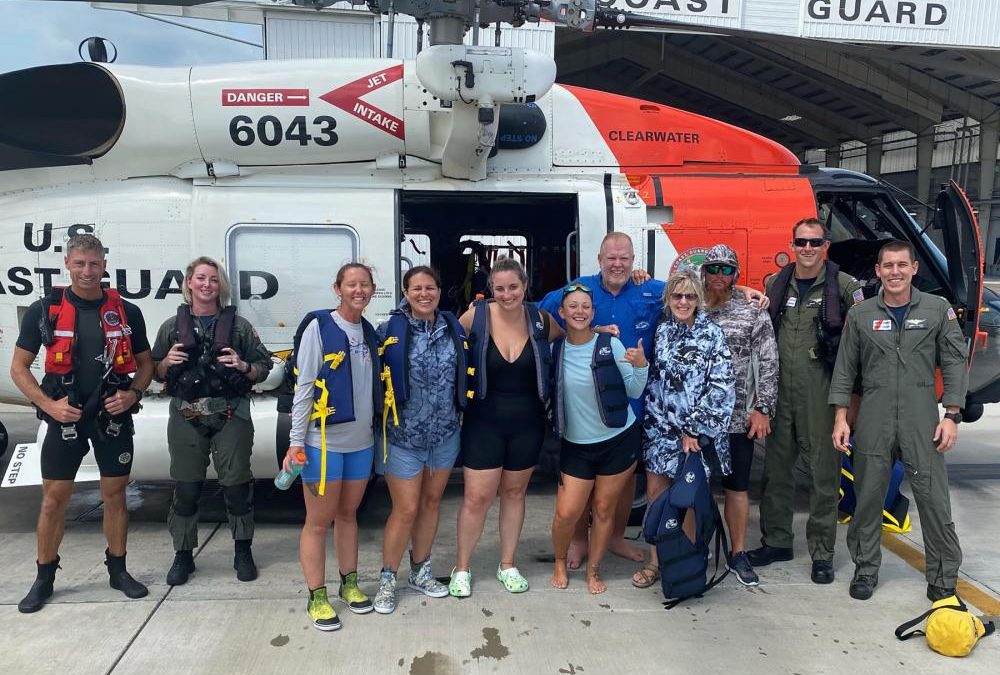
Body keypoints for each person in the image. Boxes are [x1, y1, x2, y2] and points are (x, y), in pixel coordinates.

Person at [539, 232, 765, 569]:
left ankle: (617, 537)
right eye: (611, 258)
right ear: (599, 259)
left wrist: (741, 291)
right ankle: (578, 540)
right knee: (585, 480)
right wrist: (486, 309)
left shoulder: (652, 290)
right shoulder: (580, 289)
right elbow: (538, 310)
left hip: (636, 406)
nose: (617, 264)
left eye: (624, 258)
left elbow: (694, 294)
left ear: (633, 261)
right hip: (590, 405)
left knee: (625, 478)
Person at [11, 233, 154, 613]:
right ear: (67, 265)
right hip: (65, 418)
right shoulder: (45, 311)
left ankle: (118, 570)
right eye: (80, 264)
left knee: (116, 496)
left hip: (112, 418)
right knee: (53, 501)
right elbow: (19, 368)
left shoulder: (127, 312)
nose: (87, 271)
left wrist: (133, 395)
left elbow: (146, 365)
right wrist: (47, 405)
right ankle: (44, 578)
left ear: (105, 265)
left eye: (94, 264)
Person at [830, 240, 967, 601]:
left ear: (914, 268)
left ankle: (942, 576)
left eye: (901, 265)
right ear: (877, 271)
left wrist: (951, 414)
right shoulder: (861, 314)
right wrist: (841, 418)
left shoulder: (937, 310)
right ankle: (865, 568)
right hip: (874, 415)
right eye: (887, 266)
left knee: (934, 499)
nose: (894, 272)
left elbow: (954, 362)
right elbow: (845, 369)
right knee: (869, 496)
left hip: (922, 416)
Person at [749, 218, 864, 585]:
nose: (808, 249)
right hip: (780, 391)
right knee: (776, 472)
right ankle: (778, 541)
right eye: (801, 242)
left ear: (825, 246)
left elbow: (863, 333)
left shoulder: (843, 286)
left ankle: (822, 553)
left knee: (823, 475)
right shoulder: (775, 283)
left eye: (815, 242)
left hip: (821, 391)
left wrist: (852, 399)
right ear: (793, 244)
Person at [152, 257, 273, 586]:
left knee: (236, 486)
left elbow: (265, 367)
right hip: (186, 415)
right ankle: (183, 554)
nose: (207, 284)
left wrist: (243, 365)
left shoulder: (239, 327)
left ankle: (242, 549)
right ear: (189, 282)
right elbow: (152, 371)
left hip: (230, 414)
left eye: (214, 279)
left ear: (221, 286)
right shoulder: (172, 327)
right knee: (186, 488)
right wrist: (165, 363)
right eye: (201, 278)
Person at [451, 256, 561, 597]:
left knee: (514, 494)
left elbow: (575, 333)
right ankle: (462, 568)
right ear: (491, 289)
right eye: (499, 288)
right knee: (476, 497)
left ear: (525, 287)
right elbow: (446, 346)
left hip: (528, 424)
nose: (507, 294)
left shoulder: (541, 319)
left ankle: (507, 564)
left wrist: (601, 332)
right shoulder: (475, 316)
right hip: (484, 422)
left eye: (513, 287)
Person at [282, 263, 384, 631]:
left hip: (361, 443)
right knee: (318, 521)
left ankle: (350, 583)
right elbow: (304, 388)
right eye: (351, 284)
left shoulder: (369, 333)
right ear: (337, 288)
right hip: (323, 443)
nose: (359, 290)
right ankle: (317, 595)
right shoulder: (320, 327)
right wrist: (296, 443)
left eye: (365, 285)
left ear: (373, 289)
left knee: (348, 515)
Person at [372, 266, 473, 614]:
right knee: (406, 509)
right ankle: (388, 578)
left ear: (440, 290)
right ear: (406, 291)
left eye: (430, 287)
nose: (424, 294)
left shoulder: (452, 328)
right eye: (417, 288)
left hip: (444, 435)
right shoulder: (388, 331)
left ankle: (421, 570)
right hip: (403, 437)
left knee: (431, 505)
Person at [633, 269, 735, 589]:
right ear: (668, 298)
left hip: (694, 437)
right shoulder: (662, 331)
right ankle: (655, 561)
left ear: (698, 299)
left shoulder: (712, 334)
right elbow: (655, 383)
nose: (683, 301)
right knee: (655, 496)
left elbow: (721, 387)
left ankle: (686, 561)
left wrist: (695, 430)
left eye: (690, 296)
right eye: (677, 295)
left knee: (687, 500)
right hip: (660, 432)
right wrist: (654, 425)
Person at [549, 284, 649, 594]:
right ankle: (559, 561)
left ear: (593, 313)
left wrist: (641, 365)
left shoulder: (611, 345)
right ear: (562, 313)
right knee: (567, 511)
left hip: (618, 439)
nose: (579, 311)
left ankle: (594, 570)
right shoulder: (554, 350)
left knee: (604, 509)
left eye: (586, 307)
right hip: (576, 446)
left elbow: (633, 390)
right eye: (573, 307)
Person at [701, 245, 779, 586]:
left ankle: (737, 552)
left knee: (737, 488)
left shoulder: (752, 312)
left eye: (727, 270)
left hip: (736, 419)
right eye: (714, 269)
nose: (720, 276)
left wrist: (763, 408)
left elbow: (768, 362)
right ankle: (695, 549)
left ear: (736, 274)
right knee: (695, 487)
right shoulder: (688, 305)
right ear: (703, 272)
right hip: (697, 419)